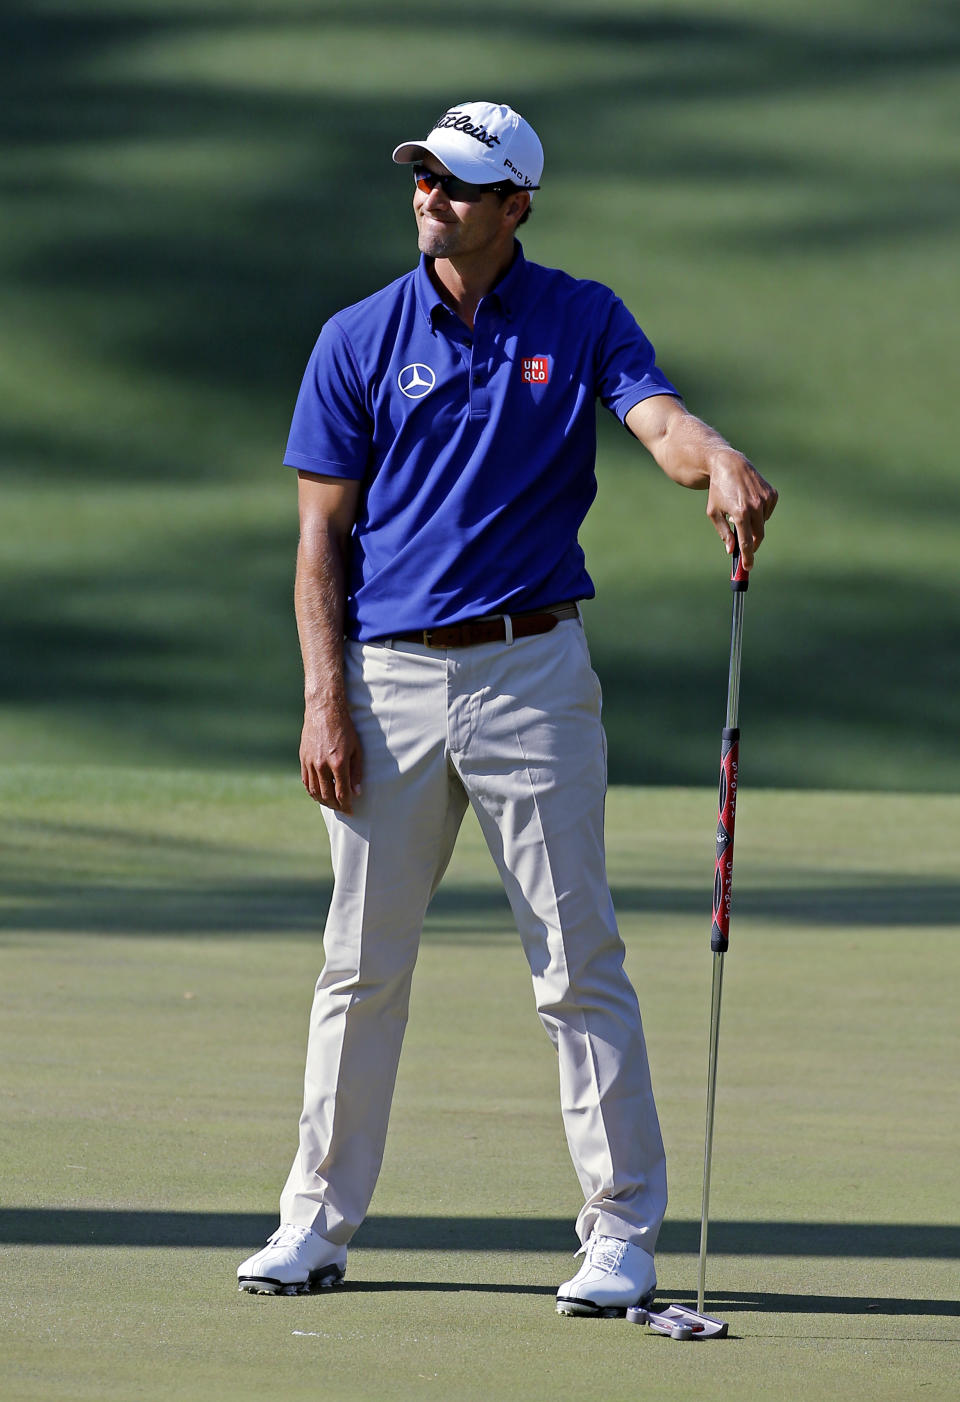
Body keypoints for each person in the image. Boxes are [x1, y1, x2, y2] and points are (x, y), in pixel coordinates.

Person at [237, 100, 777, 1314]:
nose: (434, 197)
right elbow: (322, 539)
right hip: (387, 681)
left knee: (576, 959)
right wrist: (327, 702)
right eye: (424, 176)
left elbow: (659, 420)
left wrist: (721, 460)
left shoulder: (580, 317)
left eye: (462, 186)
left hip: (533, 674)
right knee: (358, 966)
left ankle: (622, 1233)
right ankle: (314, 1221)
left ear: (516, 205)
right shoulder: (360, 336)